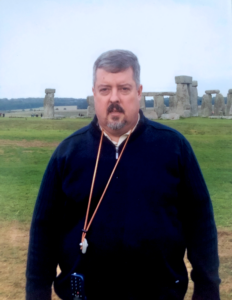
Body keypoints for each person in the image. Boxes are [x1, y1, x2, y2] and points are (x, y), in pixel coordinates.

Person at [26, 50, 220, 300]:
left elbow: (201, 225)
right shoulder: (67, 153)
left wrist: (208, 291)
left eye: (124, 89)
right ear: (94, 93)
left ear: (139, 92)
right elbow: (44, 233)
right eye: (105, 89)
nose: (114, 98)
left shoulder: (174, 147)